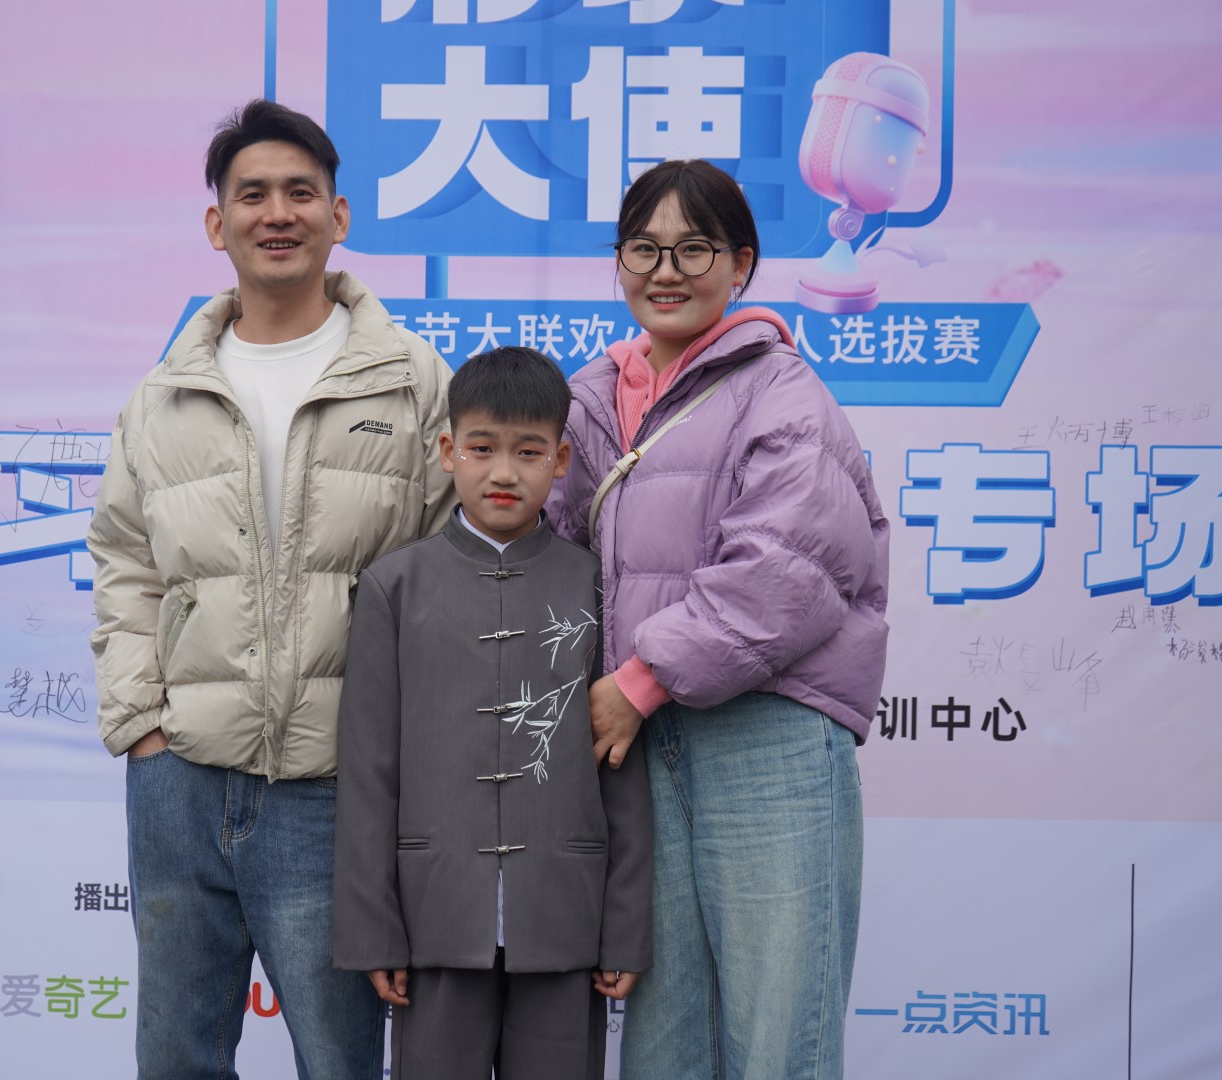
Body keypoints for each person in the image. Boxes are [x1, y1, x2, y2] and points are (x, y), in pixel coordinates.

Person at [86, 98, 457, 1080]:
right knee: (176, 1058)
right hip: (180, 782)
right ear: (219, 224)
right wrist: (143, 725)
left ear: (340, 215)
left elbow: (448, 572)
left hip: (335, 792)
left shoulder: (413, 381)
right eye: (252, 195)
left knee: (339, 1062)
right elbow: (124, 561)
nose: (277, 213)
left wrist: (397, 759)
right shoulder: (164, 394)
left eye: (301, 192)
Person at [545, 159, 890, 1080]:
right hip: (641, 747)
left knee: (780, 1037)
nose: (666, 271)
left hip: (764, 738)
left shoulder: (783, 392)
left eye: (694, 248)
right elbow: (550, 559)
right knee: (666, 1045)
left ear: (741, 263)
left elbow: (790, 572)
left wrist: (637, 681)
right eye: (643, 248)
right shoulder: (589, 402)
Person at [333, 346, 653, 1080]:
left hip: (565, 917)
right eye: (482, 449)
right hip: (434, 914)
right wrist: (374, 928)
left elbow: (623, 772)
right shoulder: (394, 588)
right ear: (448, 451)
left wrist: (626, 928)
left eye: (529, 452)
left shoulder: (597, 586)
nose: (504, 472)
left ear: (561, 460)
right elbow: (368, 773)